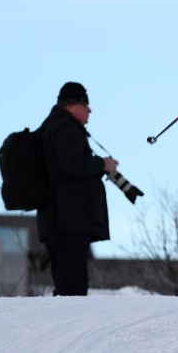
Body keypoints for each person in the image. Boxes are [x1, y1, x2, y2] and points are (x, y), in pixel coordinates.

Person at [36, 82, 119, 296]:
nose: (90, 110)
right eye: (86, 104)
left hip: (58, 219)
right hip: (69, 221)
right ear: (72, 105)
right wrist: (103, 164)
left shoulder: (53, 126)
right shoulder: (64, 128)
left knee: (66, 286)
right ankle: (66, 329)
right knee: (72, 290)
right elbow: (73, 164)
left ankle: (61, 327)